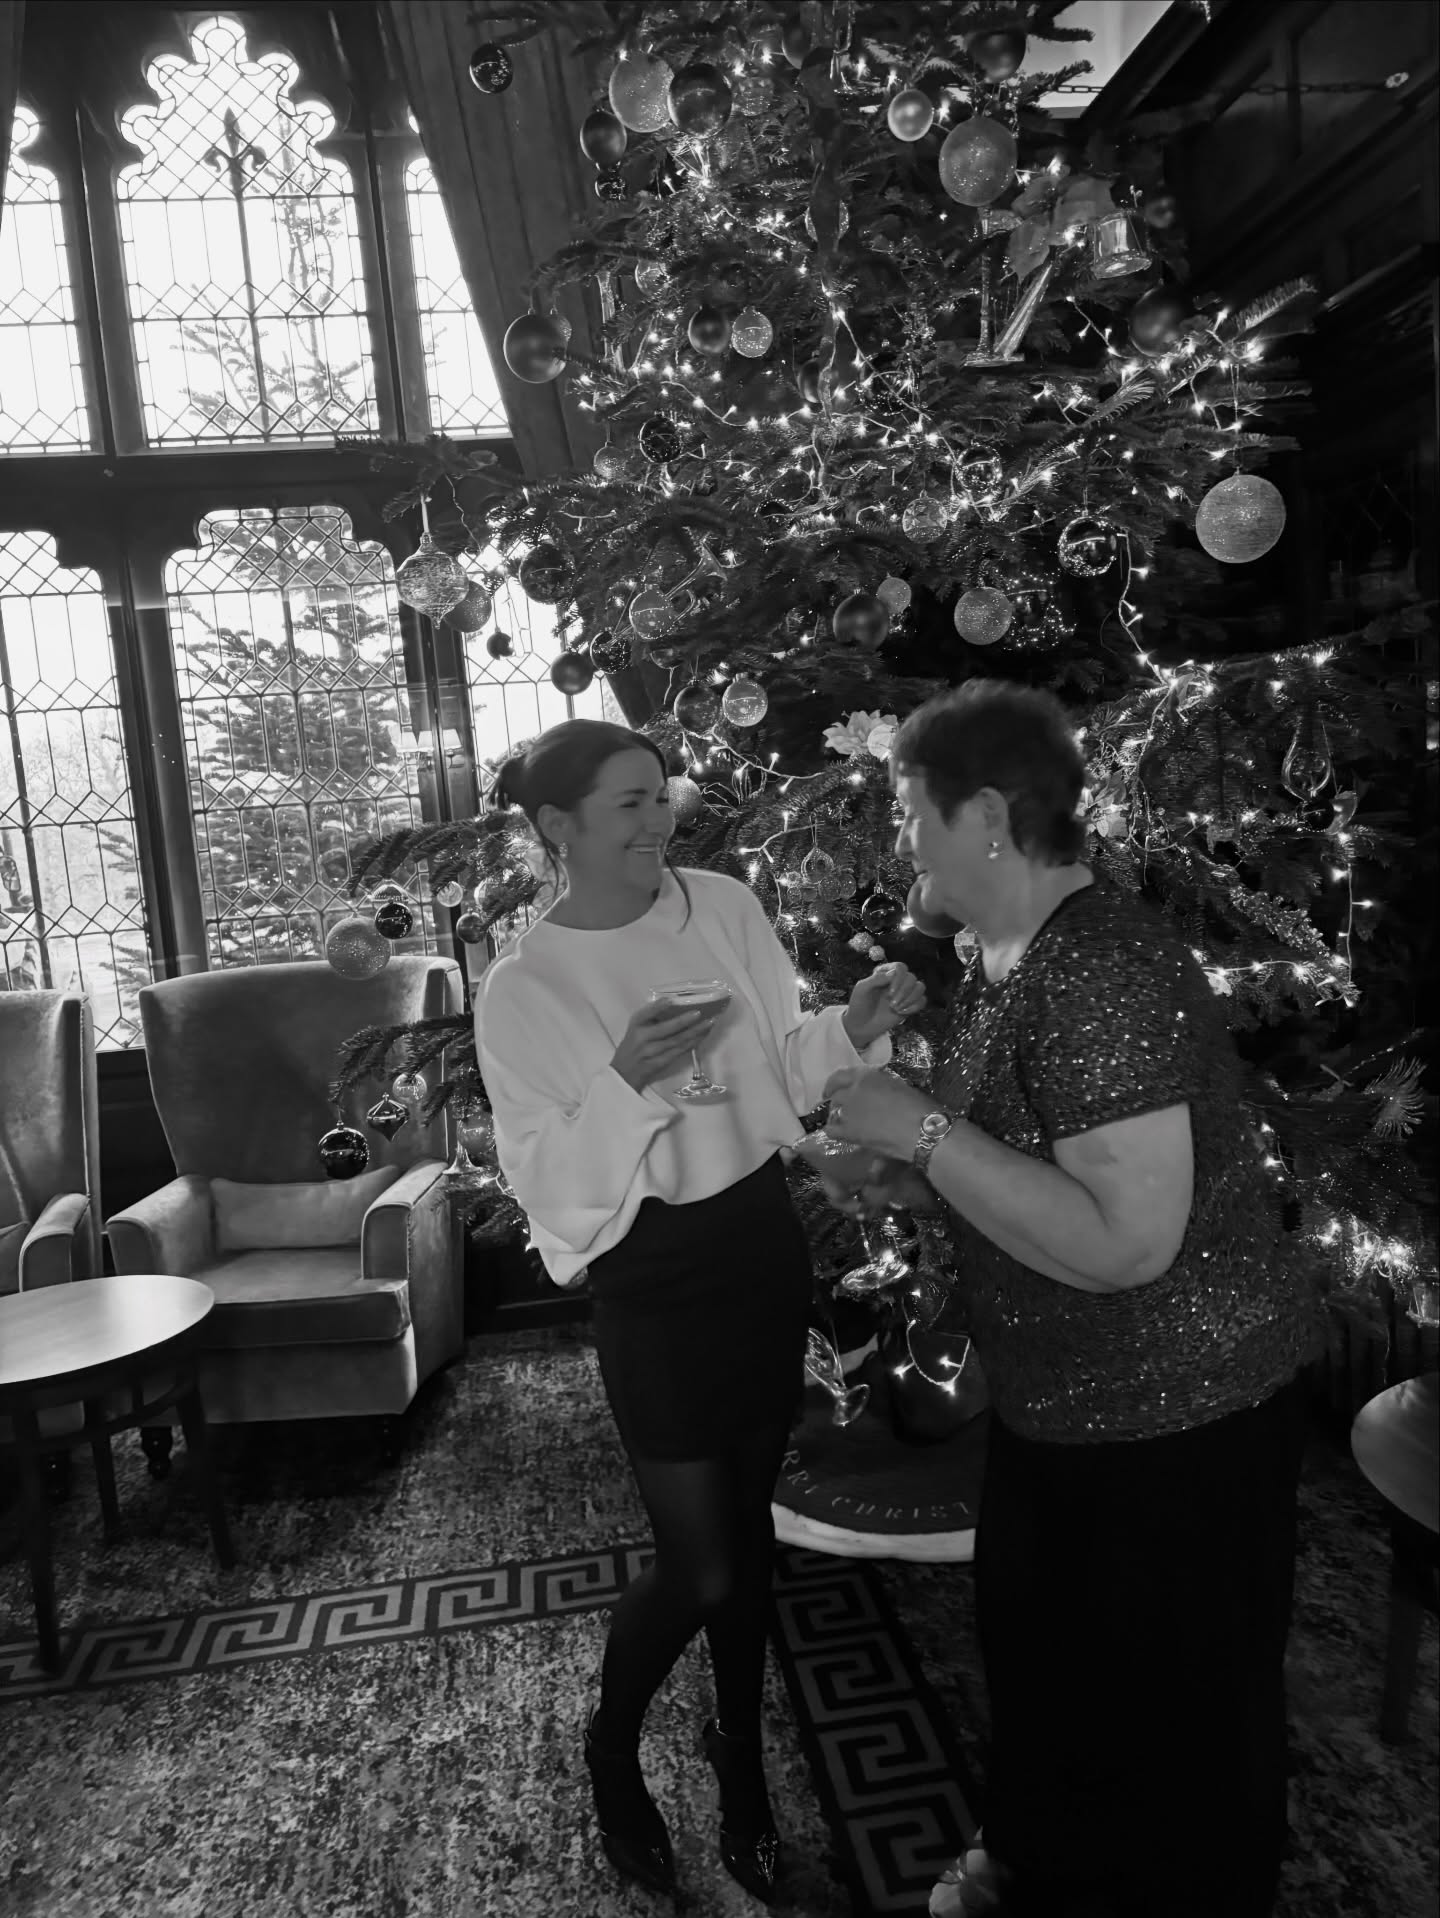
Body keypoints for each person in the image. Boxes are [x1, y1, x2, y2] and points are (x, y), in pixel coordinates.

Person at [819, 682, 1315, 1918]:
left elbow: (1128, 1239)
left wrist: (924, 1133)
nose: (901, 841)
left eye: (906, 810)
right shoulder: (1003, 958)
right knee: (1056, 1670)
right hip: (1070, 1401)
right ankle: (1045, 1866)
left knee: (1174, 1723)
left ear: (983, 813)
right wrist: (906, 1173)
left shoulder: (1100, 968)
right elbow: (1036, 1171)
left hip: (1179, 1415)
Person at [473, 718, 926, 1905]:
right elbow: (552, 1185)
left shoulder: (720, 903)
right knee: (703, 1563)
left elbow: (779, 1065)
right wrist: (626, 1080)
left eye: (658, 798)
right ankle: (612, 1748)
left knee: (751, 1551)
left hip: (756, 1251)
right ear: (555, 829)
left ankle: (741, 1771)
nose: (656, 823)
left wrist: (854, 1025)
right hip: (652, 1281)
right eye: (625, 806)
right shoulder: (526, 989)